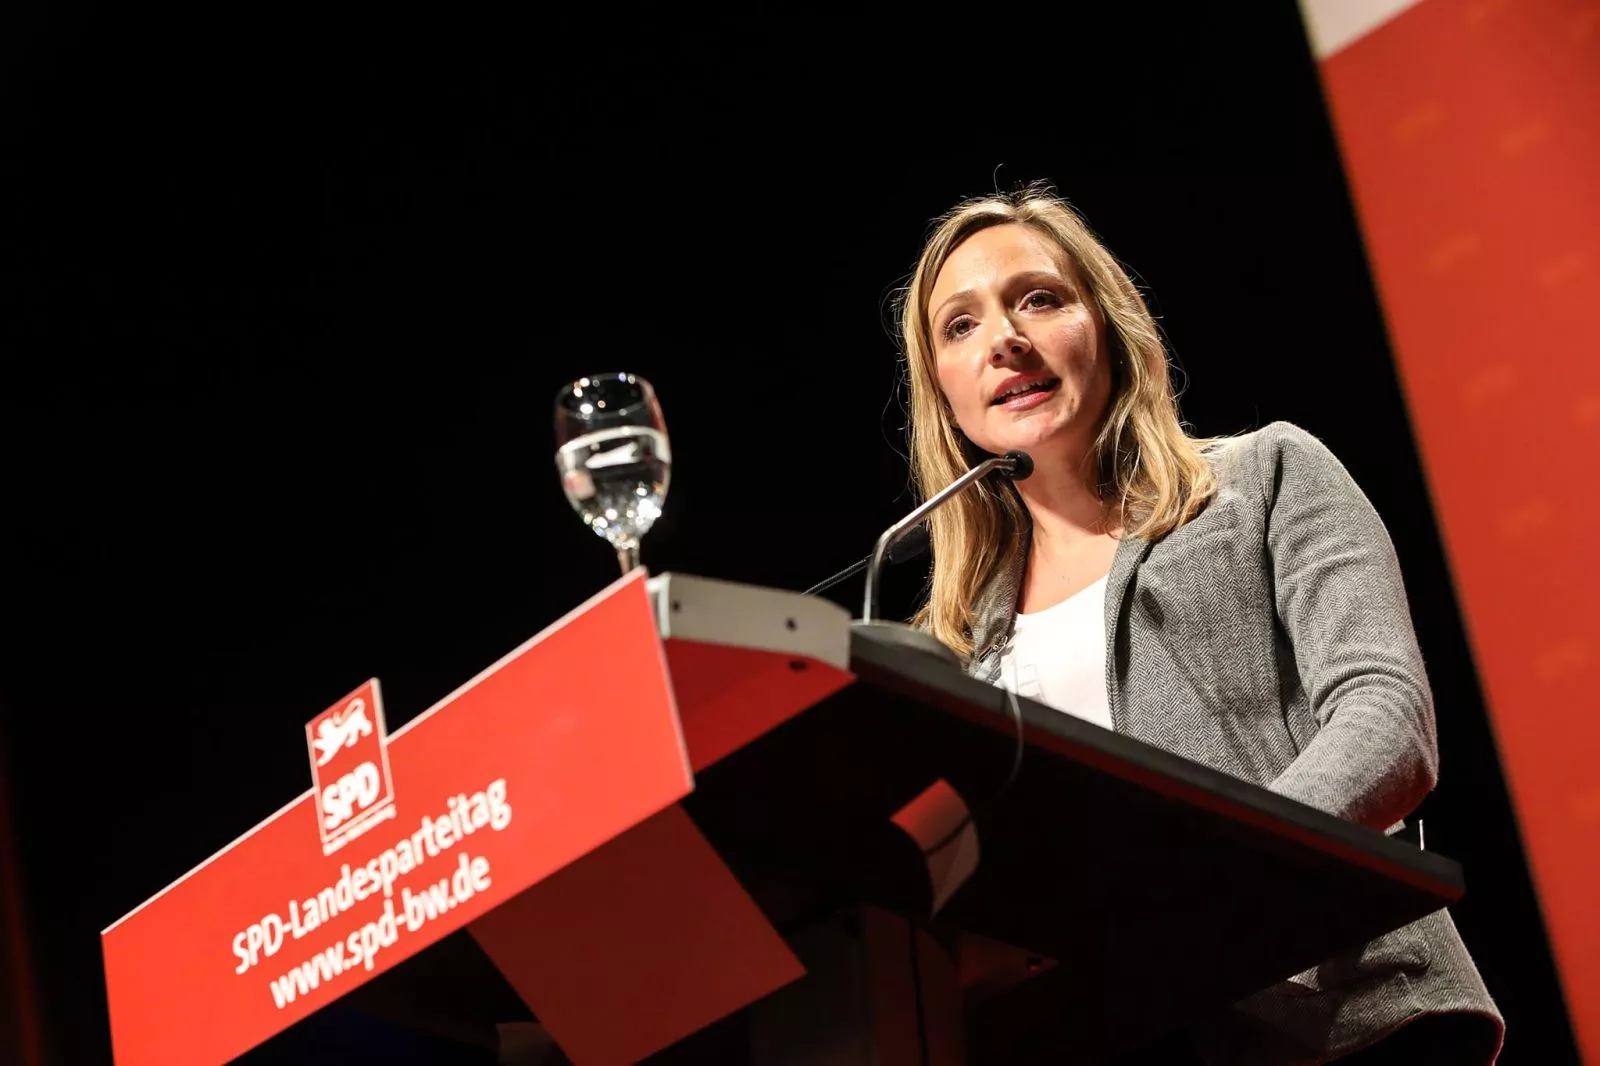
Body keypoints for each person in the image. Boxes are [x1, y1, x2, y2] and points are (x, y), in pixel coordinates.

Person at [895, 184, 1504, 1064]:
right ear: (944, 395)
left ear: (1108, 327)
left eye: (1040, 299)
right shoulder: (948, 648)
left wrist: (1203, 890)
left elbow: (1387, 720)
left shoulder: (1264, 478)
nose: (1004, 338)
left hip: (1342, 1019)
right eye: (960, 325)